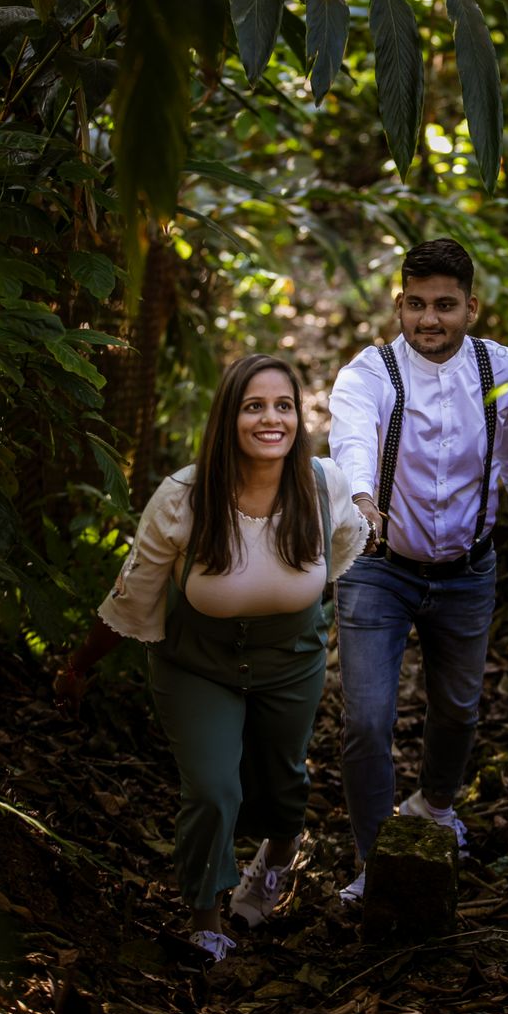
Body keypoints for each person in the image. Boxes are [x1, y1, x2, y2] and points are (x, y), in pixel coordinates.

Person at [53, 354, 368, 962]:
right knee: (214, 789)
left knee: (283, 783)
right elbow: (132, 592)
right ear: (229, 417)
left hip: (290, 661)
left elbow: (350, 543)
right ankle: (205, 917)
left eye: (283, 406)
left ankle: (278, 857)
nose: (271, 419)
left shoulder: (323, 484)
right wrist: (79, 665)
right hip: (196, 665)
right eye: (254, 406)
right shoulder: (185, 496)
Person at [328, 238, 508, 902]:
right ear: (398, 304)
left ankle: (435, 806)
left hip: (468, 571)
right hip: (379, 568)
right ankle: (375, 862)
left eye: (444, 305)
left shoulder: (502, 371)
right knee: (367, 721)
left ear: (471, 306)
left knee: (458, 708)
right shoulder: (368, 373)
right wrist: (363, 502)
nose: (429, 319)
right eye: (415, 304)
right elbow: (352, 441)